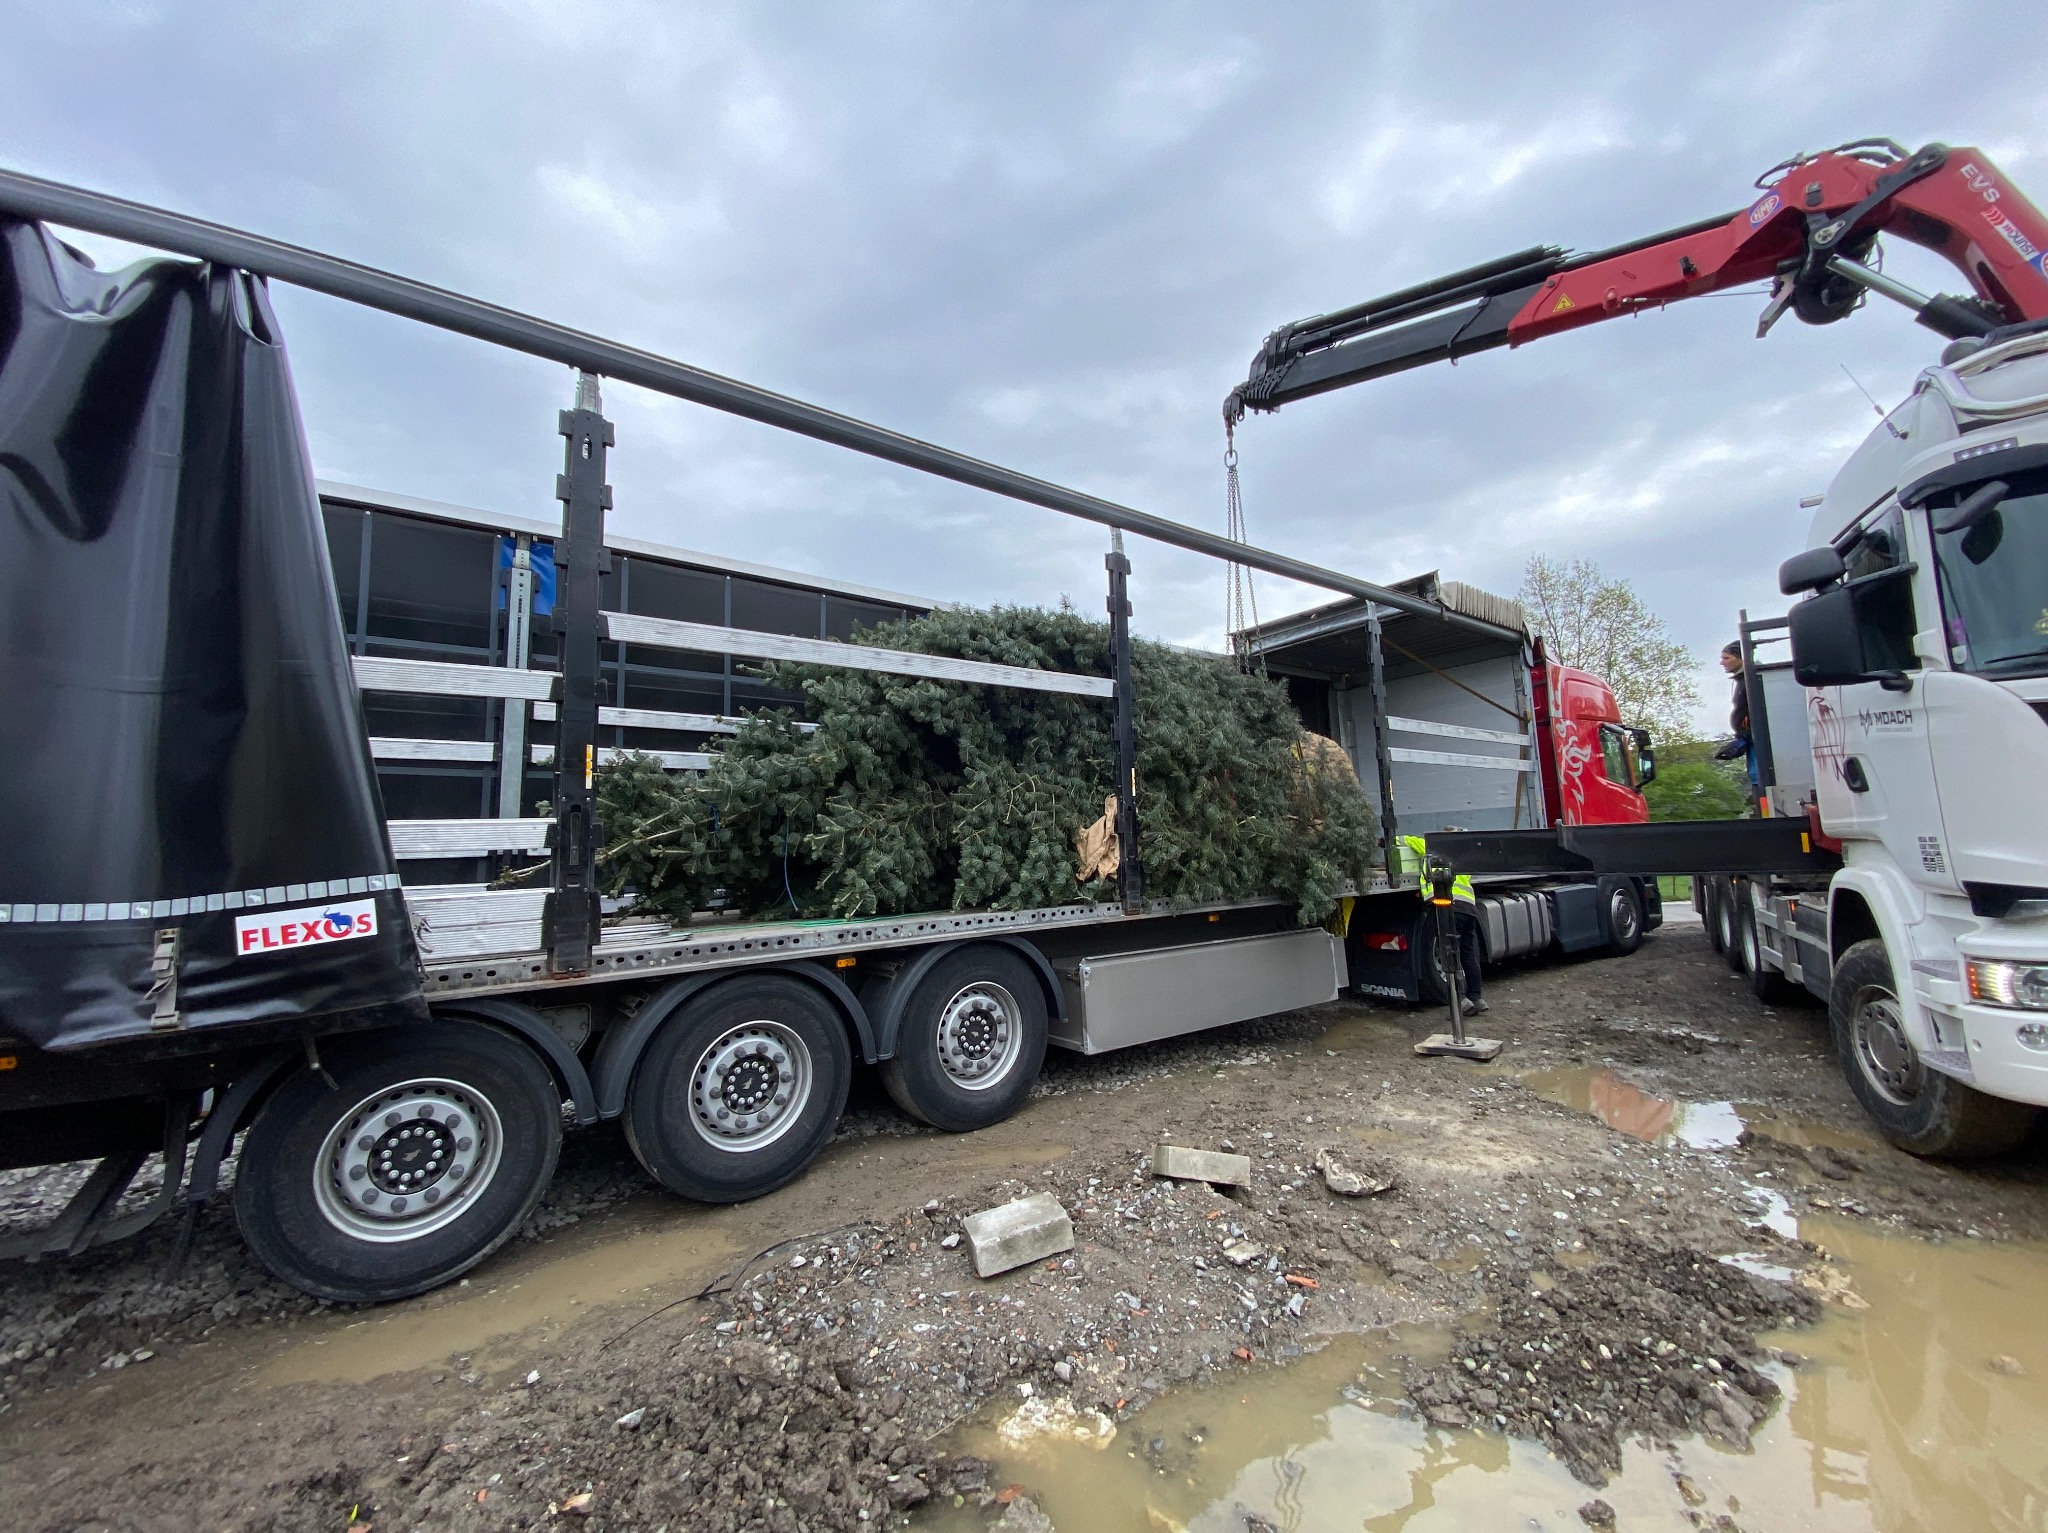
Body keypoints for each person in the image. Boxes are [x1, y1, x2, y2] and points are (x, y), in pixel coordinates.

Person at [1401, 831, 1486, 1015]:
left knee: (1449, 955)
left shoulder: (1433, 848)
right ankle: (1476, 998)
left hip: (1448, 908)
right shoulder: (1462, 857)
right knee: (1468, 954)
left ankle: (1461, 1001)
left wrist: (1385, 840)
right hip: (1469, 910)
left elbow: (1407, 839)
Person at [1712, 642, 1759, 794]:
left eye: (1726, 658)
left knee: (1758, 777)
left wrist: (1747, 734)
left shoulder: (1752, 679)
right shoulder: (1743, 679)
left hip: (1756, 740)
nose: (1722, 662)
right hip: (1750, 738)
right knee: (1755, 776)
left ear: (1741, 658)